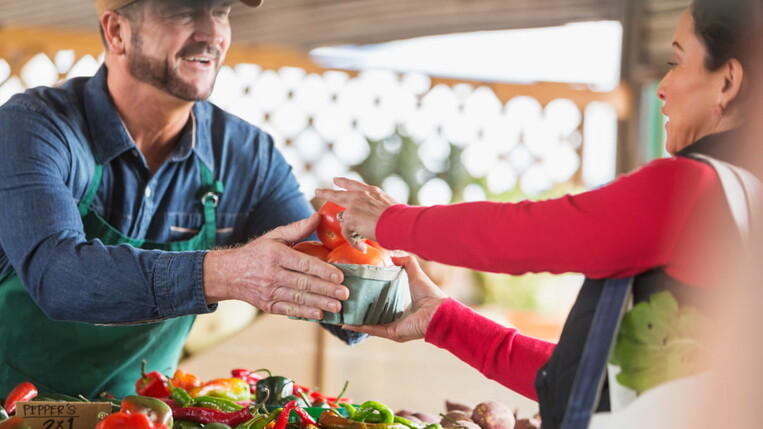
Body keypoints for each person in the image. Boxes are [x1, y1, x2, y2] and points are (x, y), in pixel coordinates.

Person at [316, 0, 761, 427]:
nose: (663, 86)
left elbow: (521, 233)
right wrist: (443, 320)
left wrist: (391, 220)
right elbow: (585, 387)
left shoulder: (690, 189)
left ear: (727, 81)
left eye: (677, 62)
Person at [0, 0, 363, 399]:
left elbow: (322, 274)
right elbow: (59, 276)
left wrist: (391, 286)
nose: (212, 34)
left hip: (140, 419)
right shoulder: (33, 126)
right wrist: (227, 273)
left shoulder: (246, 156)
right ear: (117, 32)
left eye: (221, 12)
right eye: (183, 11)